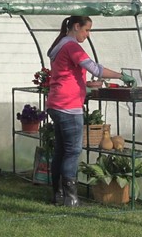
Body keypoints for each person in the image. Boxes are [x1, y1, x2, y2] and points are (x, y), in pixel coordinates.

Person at [46, 16, 136, 206]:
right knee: (73, 151)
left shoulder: (60, 45)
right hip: (69, 106)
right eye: (86, 30)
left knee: (62, 151)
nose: (88, 34)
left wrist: (83, 85)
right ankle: (71, 199)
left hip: (56, 103)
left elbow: (65, 74)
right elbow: (94, 68)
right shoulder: (71, 46)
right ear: (76, 27)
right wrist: (121, 76)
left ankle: (58, 195)